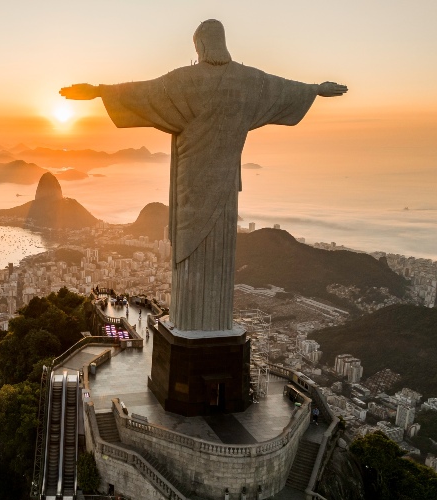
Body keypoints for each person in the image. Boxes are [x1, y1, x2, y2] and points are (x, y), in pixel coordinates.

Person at [61, 19, 347, 332]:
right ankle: (209, 323)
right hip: (225, 185)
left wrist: (99, 92)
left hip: (192, 183)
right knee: (216, 248)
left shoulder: (185, 81)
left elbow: (145, 93)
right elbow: (280, 89)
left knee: (190, 245)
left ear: (201, 45)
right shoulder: (248, 81)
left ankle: (195, 325)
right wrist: (315, 90)